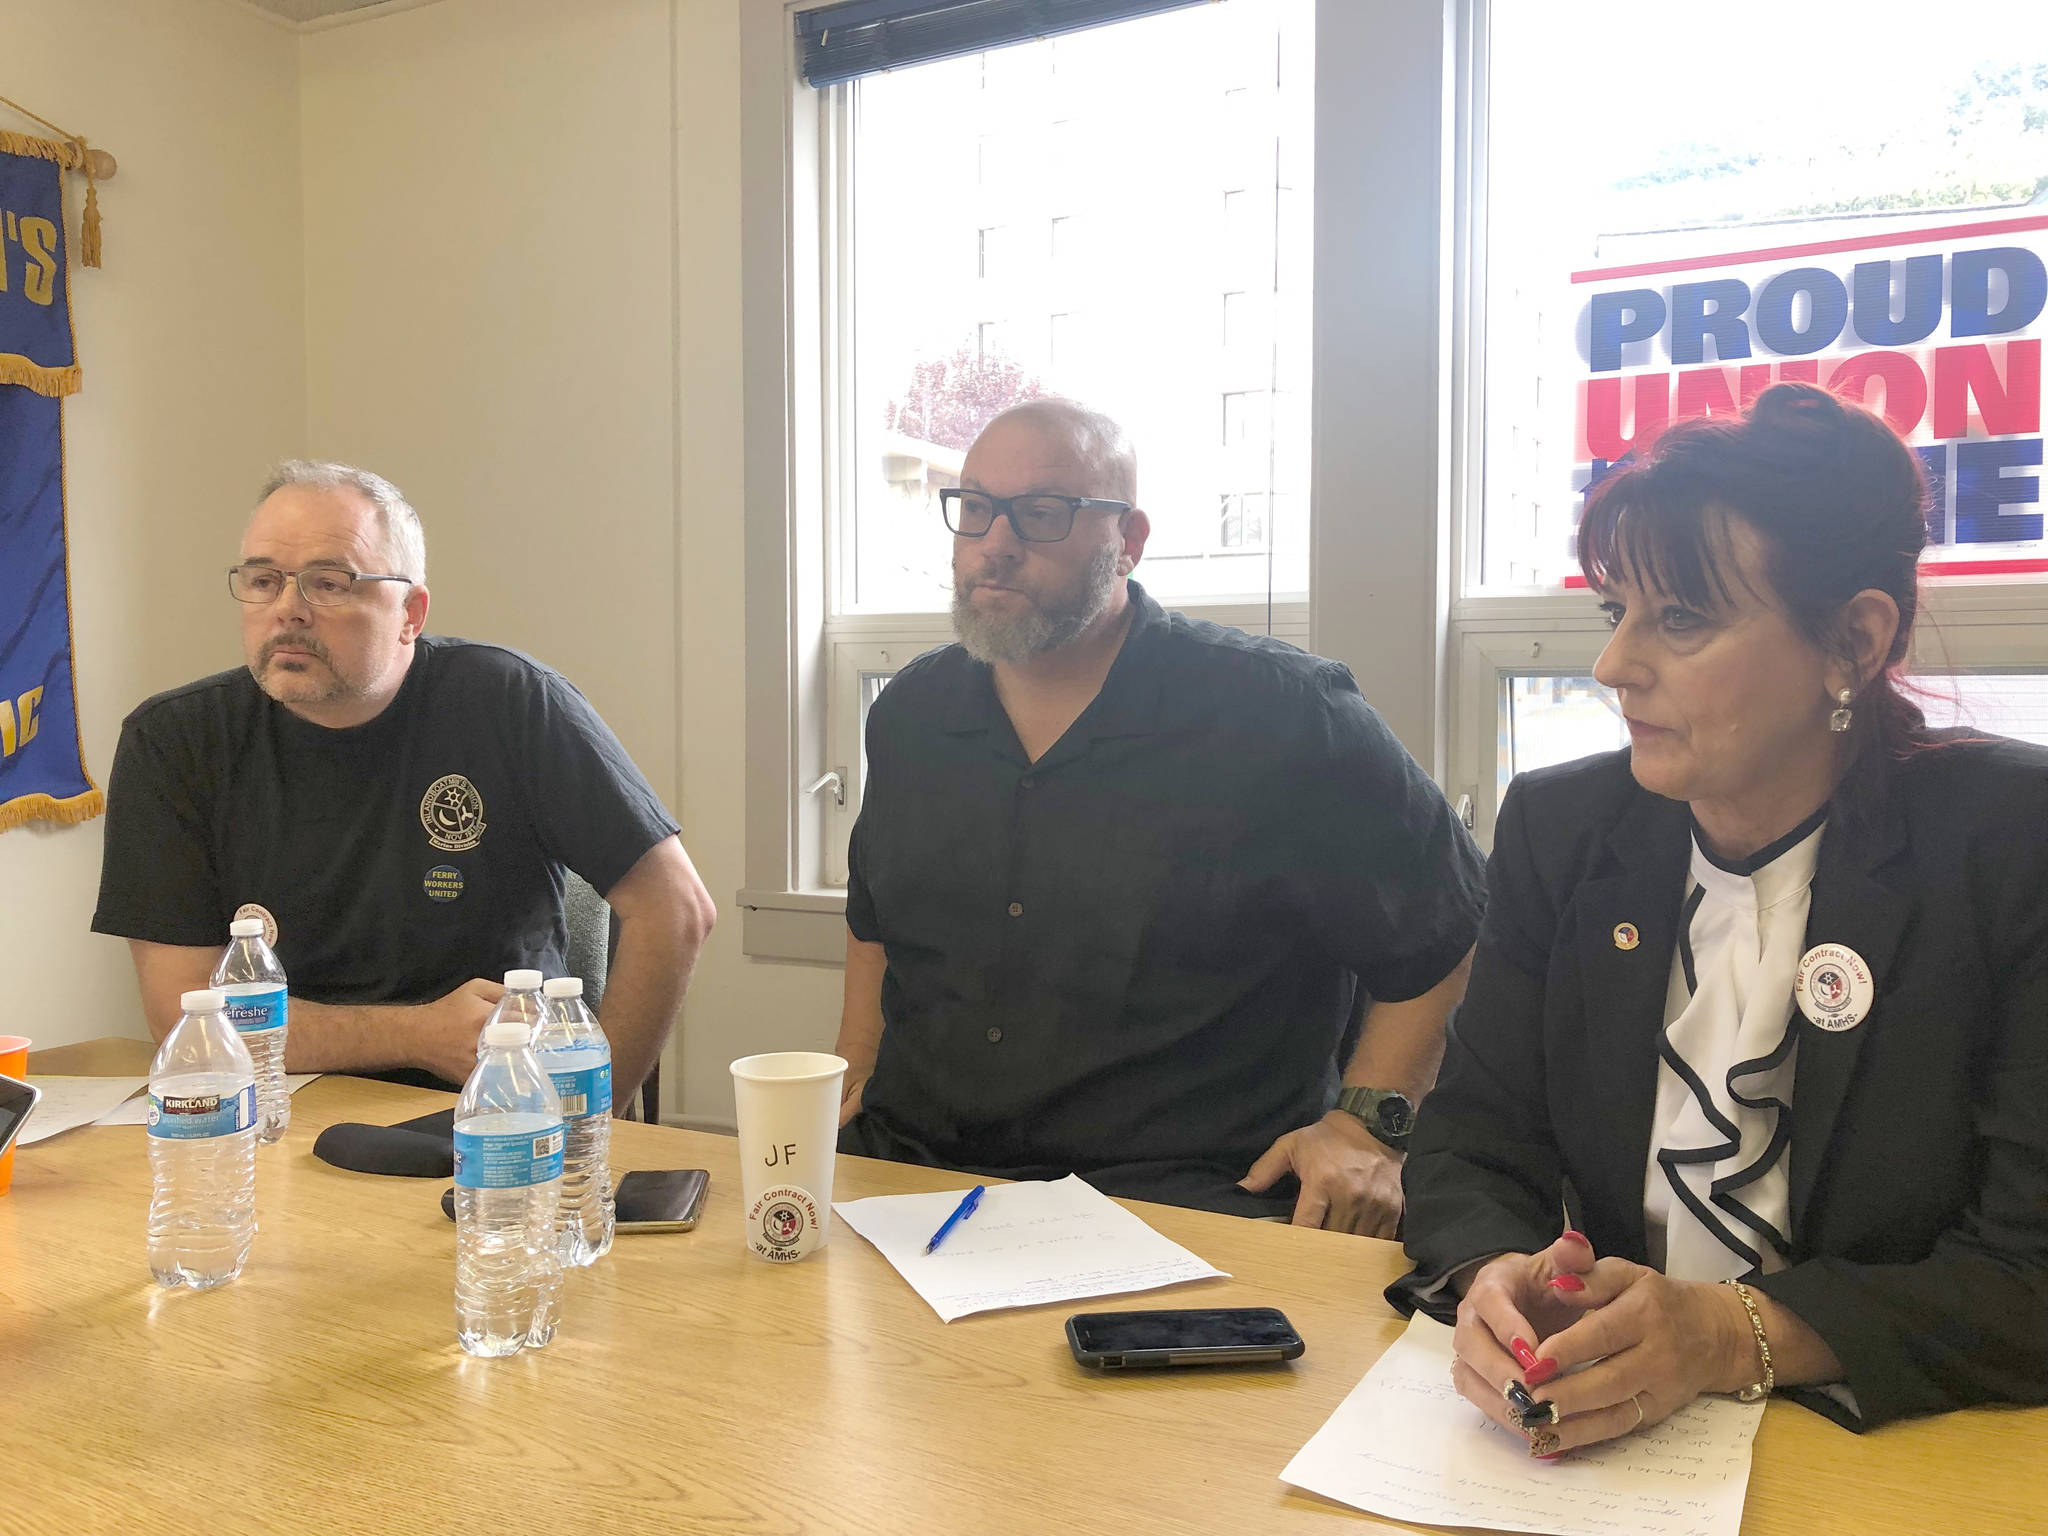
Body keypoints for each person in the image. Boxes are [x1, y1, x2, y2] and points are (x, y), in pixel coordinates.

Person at [1391, 383, 2048, 1449]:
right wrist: (1495, 1283)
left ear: (1851, 642)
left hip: (1901, 1433)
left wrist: (1728, 1334)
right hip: (1606, 1434)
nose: (1611, 667)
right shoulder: (1565, 830)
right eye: (1616, 614)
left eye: (1680, 619)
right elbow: (1471, 1141)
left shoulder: (2011, 843)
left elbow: (2028, 1273)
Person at [835, 399, 1482, 1231]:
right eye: (976, 509)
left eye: (1041, 514)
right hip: (916, 1180)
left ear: (1129, 541)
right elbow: (875, 923)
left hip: (1182, 1199)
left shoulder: (1281, 715)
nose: (996, 543)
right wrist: (848, 1074)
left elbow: (1447, 927)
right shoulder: (912, 715)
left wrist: (1368, 1127)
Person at [91, 461, 715, 1103]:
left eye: (327, 584)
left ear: (410, 613)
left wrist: (591, 1116)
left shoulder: (510, 703)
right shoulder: (172, 741)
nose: (287, 611)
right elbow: (181, 1015)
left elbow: (676, 908)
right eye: (262, 580)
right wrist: (415, 1033)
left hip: (491, 1115)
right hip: (274, 1111)